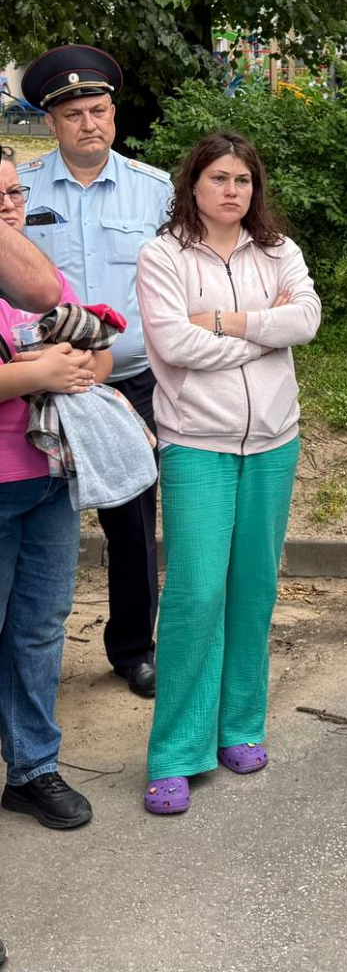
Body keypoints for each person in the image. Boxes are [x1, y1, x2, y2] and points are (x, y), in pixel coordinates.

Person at [135, 132, 320, 814]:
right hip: (196, 443)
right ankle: (175, 752)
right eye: (219, 178)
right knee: (195, 592)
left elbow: (306, 319)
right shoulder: (163, 255)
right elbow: (173, 342)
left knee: (253, 588)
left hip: (273, 441)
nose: (232, 190)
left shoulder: (277, 250)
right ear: (193, 184)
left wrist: (224, 322)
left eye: (243, 179)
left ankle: (239, 726)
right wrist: (262, 332)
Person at [18, 44, 172, 699]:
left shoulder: (155, 190)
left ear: (114, 114)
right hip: (36, 388)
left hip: (127, 384)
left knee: (134, 526)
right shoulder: (20, 189)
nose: (89, 124)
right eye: (74, 114)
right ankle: (23, 657)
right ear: (51, 122)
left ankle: (133, 648)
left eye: (99, 111)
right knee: (29, 520)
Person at [0, 144, 113, 832]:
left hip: (48, 478)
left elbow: (99, 353)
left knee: (39, 629)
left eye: (15, 193)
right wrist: (40, 373)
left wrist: (80, 368)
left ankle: (32, 769)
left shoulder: (35, 272)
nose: (9, 207)